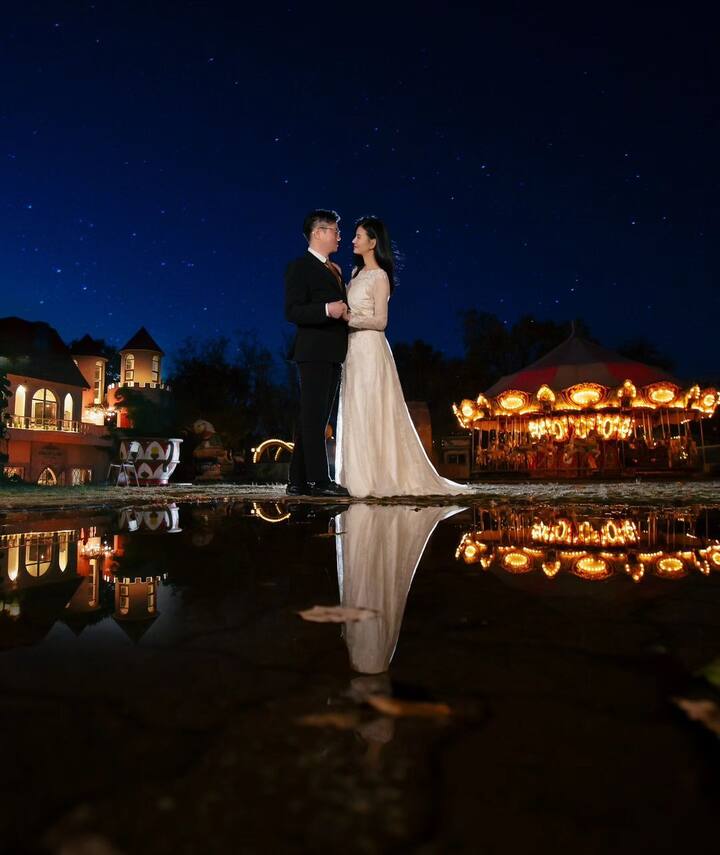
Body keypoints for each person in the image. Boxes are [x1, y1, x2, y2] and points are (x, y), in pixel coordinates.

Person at [335, 216, 474, 497]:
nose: (353, 240)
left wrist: (351, 318)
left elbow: (381, 321)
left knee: (373, 407)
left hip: (371, 348)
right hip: (352, 351)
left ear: (373, 243)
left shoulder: (380, 277)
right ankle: (357, 477)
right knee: (356, 407)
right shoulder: (354, 274)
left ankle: (378, 476)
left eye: (359, 236)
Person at [284, 209, 350, 496]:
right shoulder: (300, 266)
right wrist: (327, 309)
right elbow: (292, 310)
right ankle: (318, 481)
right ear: (318, 232)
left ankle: (296, 481)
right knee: (313, 418)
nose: (339, 236)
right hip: (313, 351)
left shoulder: (333, 269)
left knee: (315, 418)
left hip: (333, 352)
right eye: (335, 231)